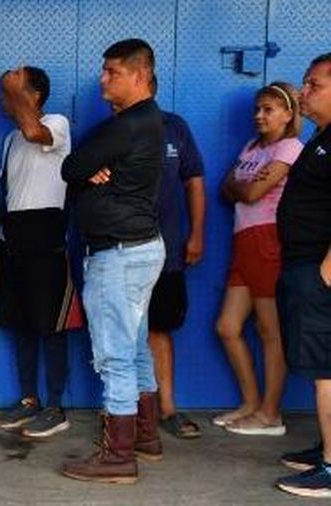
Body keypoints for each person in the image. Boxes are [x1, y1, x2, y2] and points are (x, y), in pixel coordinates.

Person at [60, 39, 165, 484]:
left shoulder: (125, 126)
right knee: (135, 345)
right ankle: (146, 436)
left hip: (118, 253)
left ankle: (118, 455)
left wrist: (87, 171)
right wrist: (89, 171)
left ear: (138, 76)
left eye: (111, 72)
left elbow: (70, 167)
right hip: (139, 248)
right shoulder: (148, 122)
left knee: (115, 355)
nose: (103, 79)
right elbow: (82, 168)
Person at [213, 81, 303, 436]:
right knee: (227, 327)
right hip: (243, 241)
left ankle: (271, 414)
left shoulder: (291, 147)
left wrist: (240, 187)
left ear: (287, 113)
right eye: (257, 109)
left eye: (268, 109)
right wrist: (240, 188)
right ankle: (251, 403)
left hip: (269, 240)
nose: (259, 116)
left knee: (270, 331)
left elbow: (251, 191)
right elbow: (225, 189)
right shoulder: (252, 147)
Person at [0, 66, 74, 439]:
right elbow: (8, 194)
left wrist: (17, 91)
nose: (3, 99)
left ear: (34, 96)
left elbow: (32, 130)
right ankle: (29, 400)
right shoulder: (10, 140)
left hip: (46, 238)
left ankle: (56, 406)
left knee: (50, 326)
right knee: (20, 322)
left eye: (11, 92)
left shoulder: (56, 124)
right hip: (14, 240)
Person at [274, 53, 331, 498]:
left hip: (319, 271)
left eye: (313, 85)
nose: (302, 92)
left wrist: (327, 272)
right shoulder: (321, 137)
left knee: (327, 369)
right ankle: (328, 448)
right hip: (303, 266)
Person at [147, 80, 208, 439]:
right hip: (121, 253)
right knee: (120, 335)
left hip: (167, 250)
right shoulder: (109, 133)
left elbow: (194, 183)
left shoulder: (175, 127)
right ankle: (125, 413)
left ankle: (167, 408)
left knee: (159, 328)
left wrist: (197, 233)